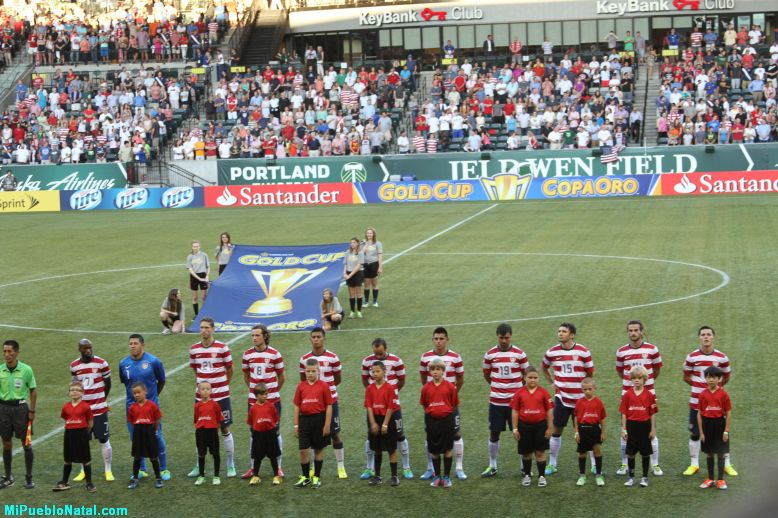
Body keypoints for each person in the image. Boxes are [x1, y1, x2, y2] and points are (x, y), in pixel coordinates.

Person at [541, 322, 594, 475]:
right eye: (559, 331)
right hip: (562, 397)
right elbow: (544, 367)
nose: (560, 333)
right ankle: (552, 464)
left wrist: (585, 388)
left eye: (564, 331)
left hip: (581, 399)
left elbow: (590, 371)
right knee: (556, 429)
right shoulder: (552, 352)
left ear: (571, 335)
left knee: (587, 431)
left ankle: (594, 465)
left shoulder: (583, 352)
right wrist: (551, 382)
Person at [187, 317, 236, 478]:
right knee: (201, 429)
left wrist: (223, 386)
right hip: (201, 398)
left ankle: (230, 464)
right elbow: (195, 370)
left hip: (221, 396)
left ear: (213, 329)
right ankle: (198, 464)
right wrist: (202, 388)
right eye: (201, 327)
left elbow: (230, 369)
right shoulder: (194, 349)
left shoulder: (222, 348)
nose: (204, 330)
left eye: (207, 327)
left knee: (224, 428)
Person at [683, 326, 735, 476]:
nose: (706, 337)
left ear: (713, 337)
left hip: (717, 405)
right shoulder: (691, 357)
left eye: (708, 334)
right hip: (696, 403)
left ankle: (726, 464)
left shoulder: (722, 358)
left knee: (722, 433)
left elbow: (726, 377)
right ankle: (694, 464)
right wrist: (700, 390)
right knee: (695, 433)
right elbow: (686, 377)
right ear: (699, 337)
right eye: (703, 334)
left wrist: (716, 391)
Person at [360, 338, 413, 481]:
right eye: (375, 353)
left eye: (380, 353)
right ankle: (370, 468)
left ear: (386, 348)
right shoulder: (366, 362)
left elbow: (402, 380)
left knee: (399, 436)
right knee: (372, 437)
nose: (378, 356)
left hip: (392, 407)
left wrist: (390, 394)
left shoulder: (396, 361)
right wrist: (376, 395)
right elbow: (365, 380)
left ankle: (406, 467)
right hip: (375, 408)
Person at [614, 320, 663, 476]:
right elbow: (620, 371)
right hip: (628, 396)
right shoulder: (621, 351)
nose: (633, 333)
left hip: (648, 395)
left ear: (642, 331)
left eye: (636, 330)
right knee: (625, 430)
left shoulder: (652, 349)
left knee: (651, 429)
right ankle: (624, 463)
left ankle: (655, 464)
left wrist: (647, 384)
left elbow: (656, 369)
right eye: (630, 330)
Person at [119, 334, 170, 481]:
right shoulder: (123, 364)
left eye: (135, 343)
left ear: (142, 345)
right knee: (136, 439)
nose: (132, 346)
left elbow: (161, 380)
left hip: (150, 410)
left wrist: (152, 399)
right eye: (130, 343)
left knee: (157, 437)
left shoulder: (153, 361)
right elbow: (126, 383)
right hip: (132, 409)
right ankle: (142, 469)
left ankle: (164, 468)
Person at [481, 323, 528, 477]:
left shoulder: (519, 354)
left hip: (515, 404)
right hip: (496, 402)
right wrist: (497, 386)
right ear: (497, 336)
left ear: (510, 336)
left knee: (521, 433)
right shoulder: (490, 354)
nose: (503, 341)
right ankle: (492, 465)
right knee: (494, 433)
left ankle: (524, 466)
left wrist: (517, 392)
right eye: (501, 338)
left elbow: (526, 375)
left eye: (506, 338)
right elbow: (487, 374)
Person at [299, 328, 346, 478]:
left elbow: (337, 379)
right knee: (315, 436)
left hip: (330, 401)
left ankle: (341, 466)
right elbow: (303, 381)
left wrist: (326, 393)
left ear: (324, 338)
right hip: (314, 405)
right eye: (313, 337)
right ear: (310, 339)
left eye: (319, 337)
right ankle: (314, 468)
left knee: (335, 434)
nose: (316, 339)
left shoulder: (333, 357)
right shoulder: (304, 359)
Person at [419, 327, 466, 480]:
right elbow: (423, 378)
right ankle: (430, 468)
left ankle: (459, 468)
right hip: (432, 404)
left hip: (449, 404)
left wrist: (450, 395)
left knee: (456, 434)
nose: (438, 342)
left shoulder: (455, 357)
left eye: (441, 339)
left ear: (447, 339)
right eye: (436, 339)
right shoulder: (425, 357)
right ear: (433, 340)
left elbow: (460, 379)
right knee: (430, 435)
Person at [241, 324, 285, 480]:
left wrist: (272, 392)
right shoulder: (247, 355)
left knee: (275, 432)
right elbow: (246, 376)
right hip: (253, 403)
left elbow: (282, 377)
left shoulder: (275, 354)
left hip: (272, 402)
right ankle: (253, 468)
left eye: (257, 335)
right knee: (254, 432)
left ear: (265, 336)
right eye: (252, 335)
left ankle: (278, 468)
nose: (254, 338)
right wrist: (255, 393)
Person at [69, 339, 113, 482]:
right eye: (85, 348)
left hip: (99, 410)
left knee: (103, 439)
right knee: (82, 441)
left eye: (89, 347)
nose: (88, 350)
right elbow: (75, 386)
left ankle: (108, 470)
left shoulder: (101, 363)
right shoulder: (74, 366)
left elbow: (108, 384)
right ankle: (83, 471)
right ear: (79, 349)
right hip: (83, 412)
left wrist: (102, 399)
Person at [0, 339, 36, 489]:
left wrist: (32, 411)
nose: (7, 354)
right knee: (7, 444)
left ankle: (29, 477)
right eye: (4, 351)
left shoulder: (26, 370)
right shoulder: (0, 370)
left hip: (21, 409)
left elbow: (33, 390)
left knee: (26, 443)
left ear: (16, 352)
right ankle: (9, 477)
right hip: (3, 409)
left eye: (10, 351)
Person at [293, 358, 333, 489]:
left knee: (318, 449)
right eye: (308, 371)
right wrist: (296, 425)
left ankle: (316, 477)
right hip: (304, 420)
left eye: (313, 371)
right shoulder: (301, 386)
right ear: (304, 371)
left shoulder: (324, 386)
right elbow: (296, 405)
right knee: (303, 450)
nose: (310, 373)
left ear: (318, 371)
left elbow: (329, 406)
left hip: (319, 419)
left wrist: (327, 425)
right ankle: (305, 477)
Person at [511, 366, 553, 487]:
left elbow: (549, 411)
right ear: (524, 378)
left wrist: (549, 428)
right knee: (526, 453)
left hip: (540, 427)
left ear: (539, 378)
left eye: (535, 377)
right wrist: (515, 428)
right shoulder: (519, 393)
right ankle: (527, 475)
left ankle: (541, 476)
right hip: (524, 427)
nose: (533, 380)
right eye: (530, 377)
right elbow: (515, 411)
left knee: (540, 452)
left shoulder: (543, 393)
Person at [420, 358, 459, 488]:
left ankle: (446, 477)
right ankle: (437, 476)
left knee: (448, 449)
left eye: (438, 369)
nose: (435, 372)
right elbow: (424, 404)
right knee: (434, 450)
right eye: (432, 369)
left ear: (443, 371)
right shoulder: (426, 388)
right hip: (432, 421)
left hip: (447, 421)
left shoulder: (450, 387)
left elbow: (454, 404)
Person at [364, 361, 400, 486]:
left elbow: (390, 407)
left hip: (387, 420)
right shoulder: (369, 388)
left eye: (377, 371)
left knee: (391, 449)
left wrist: (385, 424)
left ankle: (394, 476)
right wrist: (373, 423)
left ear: (384, 372)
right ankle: (377, 476)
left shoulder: (390, 388)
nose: (375, 373)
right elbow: (369, 407)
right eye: (373, 371)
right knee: (377, 449)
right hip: (375, 419)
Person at [54, 382, 95, 492]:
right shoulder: (66, 407)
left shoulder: (86, 406)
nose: (74, 392)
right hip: (69, 434)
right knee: (67, 459)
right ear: (69, 393)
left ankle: (89, 483)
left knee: (85, 459)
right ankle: (64, 481)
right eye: (72, 390)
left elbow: (90, 422)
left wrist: (85, 433)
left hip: (81, 434)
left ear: (82, 393)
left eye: (77, 390)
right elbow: (66, 419)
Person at [619, 366, 657, 487]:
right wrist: (623, 429)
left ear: (644, 379)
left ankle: (645, 477)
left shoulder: (649, 395)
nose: (636, 380)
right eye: (634, 378)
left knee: (645, 453)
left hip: (644, 427)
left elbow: (652, 414)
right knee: (631, 453)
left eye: (639, 378)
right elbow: (624, 413)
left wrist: (653, 429)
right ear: (631, 379)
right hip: (631, 426)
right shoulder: (627, 395)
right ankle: (631, 477)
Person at [697, 366, 732, 490]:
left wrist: (726, 430)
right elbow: (699, 414)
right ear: (705, 379)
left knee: (721, 453)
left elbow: (728, 413)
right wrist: (701, 433)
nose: (711, 380)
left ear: (719, 379)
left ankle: (721, 480)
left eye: (714, 377)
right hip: (707, 425)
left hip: (720, 424)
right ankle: (711, 479)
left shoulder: (724, 394)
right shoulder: (702, 395)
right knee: (709, 453)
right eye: (708, 377)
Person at [126, 382, 164, 489]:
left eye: (139, 392)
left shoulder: (152, 405)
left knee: (153, 457)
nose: (137, 395)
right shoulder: (132, 408)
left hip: (149, 432)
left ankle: (158, 478)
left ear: (145, 392)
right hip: (138, 433)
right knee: (137, 457)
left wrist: (153, 430)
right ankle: (135, 479)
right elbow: (132, 421)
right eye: (134, 393)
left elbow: (157, 419)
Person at [573, 378, 606, 487]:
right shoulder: (579, 402)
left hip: (595, 429)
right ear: (582, 389)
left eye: (590, 389)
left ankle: (598, 475)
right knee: (582, 453)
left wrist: (603, 432)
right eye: (585, 389)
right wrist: (576, 432)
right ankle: (582, 475)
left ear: (594, 388)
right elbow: (576, 418)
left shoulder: (598, 402)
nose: (587, 391)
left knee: (597, 451)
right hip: (582, 429)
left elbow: (602, 419)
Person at [247, 383, 282, 486]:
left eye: (266, 394)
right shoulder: (253, 408)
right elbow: (251, 422)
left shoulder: (271, 406)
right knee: (257, 456)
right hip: (258, 435)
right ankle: (255, 476)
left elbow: (275, 418)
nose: (264, 396)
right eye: (262, 394)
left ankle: (276, 475)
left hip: (270, 434)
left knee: (273, 456)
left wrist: (273, 428)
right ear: (256, 395)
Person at [193, 381, 223, 486]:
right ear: (199, 391)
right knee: (201, 454)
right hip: (201, 432)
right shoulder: (197, 405)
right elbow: (196, 419)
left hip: (212, 432)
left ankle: (216, 476)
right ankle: (201, 476)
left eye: (207, 389)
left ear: (211, 391)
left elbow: (219, 420)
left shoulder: (215, 405)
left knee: (215, 454)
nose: (205, 391)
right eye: (203, 389)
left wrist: (216, 431)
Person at [187, 240, 210, 316]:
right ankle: (196, 315)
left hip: (203, 275)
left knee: (204, 297)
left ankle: (205, 314)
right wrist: (198, 278)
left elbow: (208, 267)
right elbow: (190, 269)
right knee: (194, 298)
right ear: (192, 247)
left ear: (199, 247)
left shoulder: (204, 255)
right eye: (194, 246)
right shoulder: (189, 257)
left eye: (197, 246)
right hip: (194, 277)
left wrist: (207, 276)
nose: (195, 248)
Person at [343, 238, 365, 319]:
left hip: (357, 274)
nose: (352, 244)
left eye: (354, 242)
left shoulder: (360, 253)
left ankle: (359, 311)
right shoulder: (347, 252)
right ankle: (352, 311)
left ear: (357, 243)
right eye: (351, 242)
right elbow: (345, 264)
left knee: (359, 293)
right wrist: (344, 273)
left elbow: (359, 266)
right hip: (349, 273)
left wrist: (350, 275)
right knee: (351, 294)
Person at [361, 227, 383, 308]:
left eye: (370, 233)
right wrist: (366, 243)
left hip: (374, 264)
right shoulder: (363, 243)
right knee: (366, 283)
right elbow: (361, 253)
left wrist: (380, 267)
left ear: (373, 234)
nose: (369, 234)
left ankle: (374, 301)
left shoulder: (378, 243)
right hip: (366, 265)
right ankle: (366, 301)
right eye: (368, 233)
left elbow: (380, 256)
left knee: (375, 283)